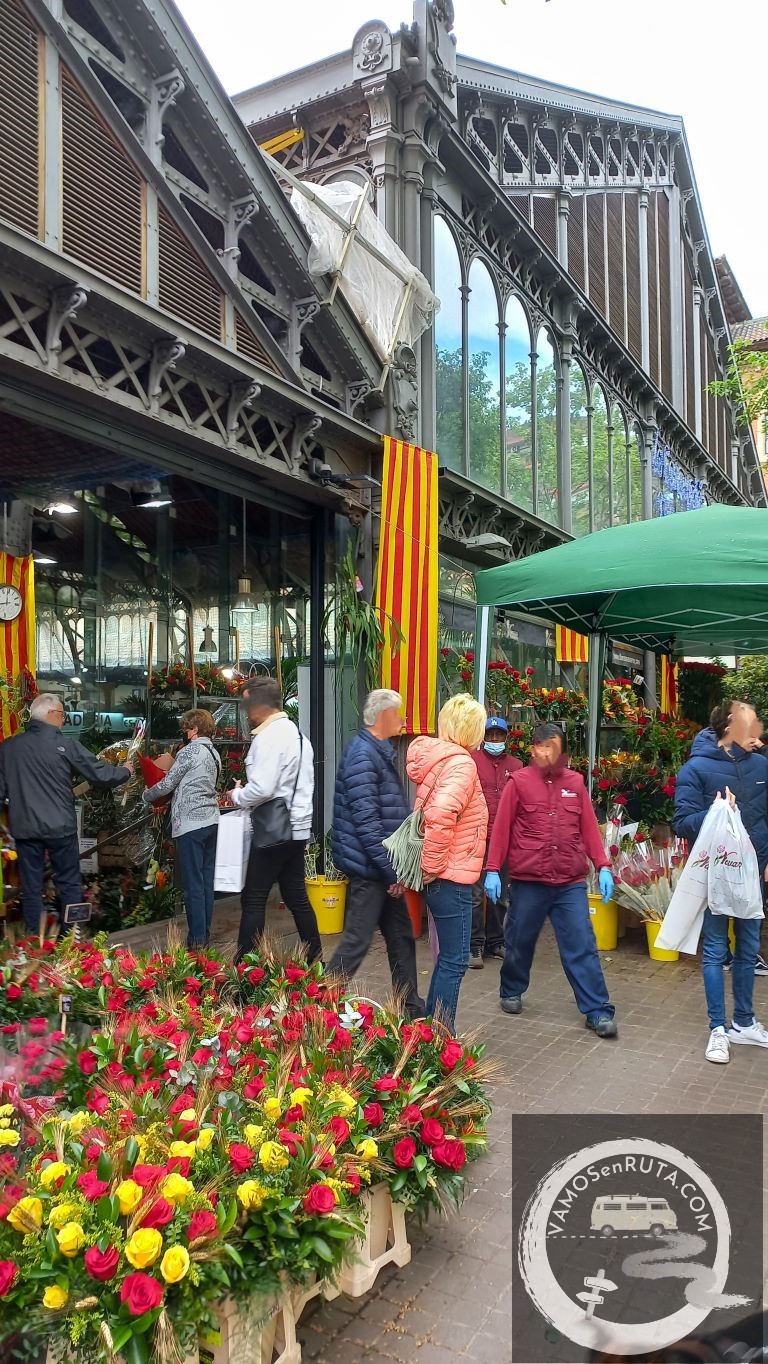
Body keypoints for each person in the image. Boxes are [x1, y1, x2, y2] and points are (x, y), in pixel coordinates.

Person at [485, 722, 618, 1038]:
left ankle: (597, 1011)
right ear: (533, 749)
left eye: (553, 748)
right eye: (542, 748)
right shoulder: (518, 782)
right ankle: (512, 989)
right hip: (529, 880)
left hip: (568, 882)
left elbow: (588, 827)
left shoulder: (575, 783)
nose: (547, 754)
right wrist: (492, 869)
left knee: (581, 945)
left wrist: (603, 865)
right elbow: (502, 829)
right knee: (519, 941)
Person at [674, 699, 768, 1065]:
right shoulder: (695, 768)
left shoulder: (762, 765)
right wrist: (715, 812)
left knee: (748, 949)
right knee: (714, 951)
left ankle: (744, 1022)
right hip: (716, 873)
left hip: (753, 875)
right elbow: (682, 821)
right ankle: (718, 1028)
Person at [0, 692, 132, 934]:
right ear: (51, 714)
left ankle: (34, 944)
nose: (64, 720)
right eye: (62, 714)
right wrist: (125, 771)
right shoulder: (66, 745)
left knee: (31, 888)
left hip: (26, 829)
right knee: (69, 883)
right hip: (61, 827)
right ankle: (73, 938)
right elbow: (99, 774)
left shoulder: (9, 748)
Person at [328, 689, 425, 1017]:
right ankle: (318, 1004)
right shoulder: (363, 755)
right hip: (373, 871)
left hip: (381, 867)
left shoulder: (375, 752)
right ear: (383, 717)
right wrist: (392, 872)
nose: (402, 721)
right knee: (356, 941)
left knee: (401, 937)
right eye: (397, 714)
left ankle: (411, 1008)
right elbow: (367, 824)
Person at [405, 693, 488, 1031]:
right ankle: (439, 1035)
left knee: (447, 959)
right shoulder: (462, 764)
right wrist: (433, 865)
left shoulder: (441, 760)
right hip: (451, 874)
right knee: (454, 959)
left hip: (445, 873)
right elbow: (440, 815)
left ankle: (430, 1029)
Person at [228, 677, 322, 964]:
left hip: (273, 831)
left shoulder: (270, 737)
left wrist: (237, 794)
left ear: (257, 704)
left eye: (247, 704)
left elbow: (263, 789)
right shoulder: (298, 736)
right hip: (297, 829)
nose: (246, 711)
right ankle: (315, 960)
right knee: (297, 899)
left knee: (253, 898)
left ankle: (244, 969)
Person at [141, 709, 221, 949]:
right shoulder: (214, 753)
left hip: (191, 824)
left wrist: (146, 795)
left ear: (195, 730)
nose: (183, 733)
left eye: (185, 729)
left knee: (193, 885)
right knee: (206, 883)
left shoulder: (191, 751)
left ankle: (196, 940)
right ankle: (203, 934)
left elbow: (168, 782)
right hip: (211, 821)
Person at [469, 716, 522, 967]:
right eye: (489, 735)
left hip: (505, 840)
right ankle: (475, 946)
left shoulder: (517, 766)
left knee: (501, 894)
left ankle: (496, 942)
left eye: (498, 735)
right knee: (477, 895)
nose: (494, 739)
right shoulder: (472, 761)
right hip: (478, 836)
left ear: (506, 737)